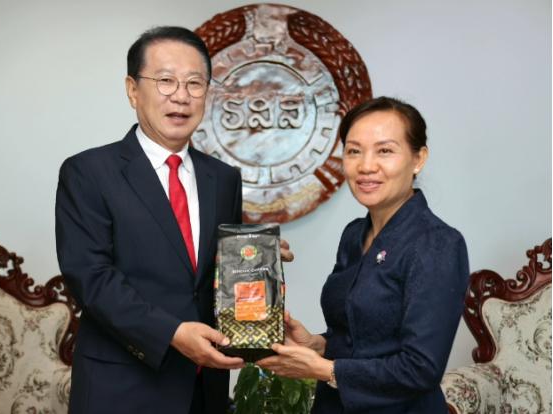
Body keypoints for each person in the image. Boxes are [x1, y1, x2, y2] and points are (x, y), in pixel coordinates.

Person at [55, 26, 293, 414]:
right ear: (133, 89)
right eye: (165, 81)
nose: (181, 96)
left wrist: (256, 256)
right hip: (121, 388)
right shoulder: (88, 172)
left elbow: (216, 274)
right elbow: (91, 277)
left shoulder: (223, 178)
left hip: (205, 388)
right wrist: (172, 333)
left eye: (194, 83)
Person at [257, 96, 469, 413]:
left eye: (385, 151)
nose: (366, 166)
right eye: (354, 151)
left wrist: (324, 369)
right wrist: (317, 344)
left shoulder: (437, 244)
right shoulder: (354, 234)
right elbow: (362, 338)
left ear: (418, 159)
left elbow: (421, 368)